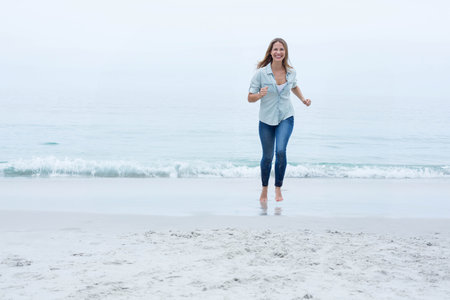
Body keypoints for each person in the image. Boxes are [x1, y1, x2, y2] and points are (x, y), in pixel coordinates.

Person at [248, 38, 311, 204]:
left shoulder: (291, 72)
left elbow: (294, 86)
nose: (278, 52)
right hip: (266, 120)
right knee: (267, 157)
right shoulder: (261, 74)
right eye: (275, 49)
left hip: (286, 116)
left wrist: (303, 99)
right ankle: (264, 190)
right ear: (270, 52)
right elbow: (249, 97)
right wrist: (259, 95)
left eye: (281, 49)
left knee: (281, 151)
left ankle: (278, 189)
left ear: (285, 53)